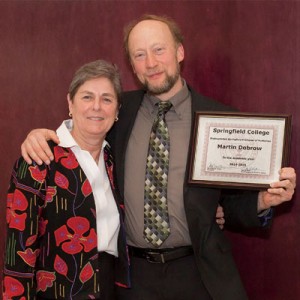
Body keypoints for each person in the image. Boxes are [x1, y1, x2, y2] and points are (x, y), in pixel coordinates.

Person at [20, 15, 296, 300]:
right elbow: (81, 133)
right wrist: (39, 136)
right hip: (133, 279)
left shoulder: (220, 121)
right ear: (131, 64)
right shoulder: (117, 111)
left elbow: (228, 204)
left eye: (158, 50)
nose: (150, 63)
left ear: (179, 52)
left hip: (200, 274)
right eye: (139, 54)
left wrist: (264, 201)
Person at [3, 60, 130, 300]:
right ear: (70, 103)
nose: (96, 107)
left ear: (116, 111)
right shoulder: (40, 158)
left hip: (109, 288)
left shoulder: (114, 158)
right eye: (86, 97)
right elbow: (19, 250)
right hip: (57, 291)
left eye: (106, 99)